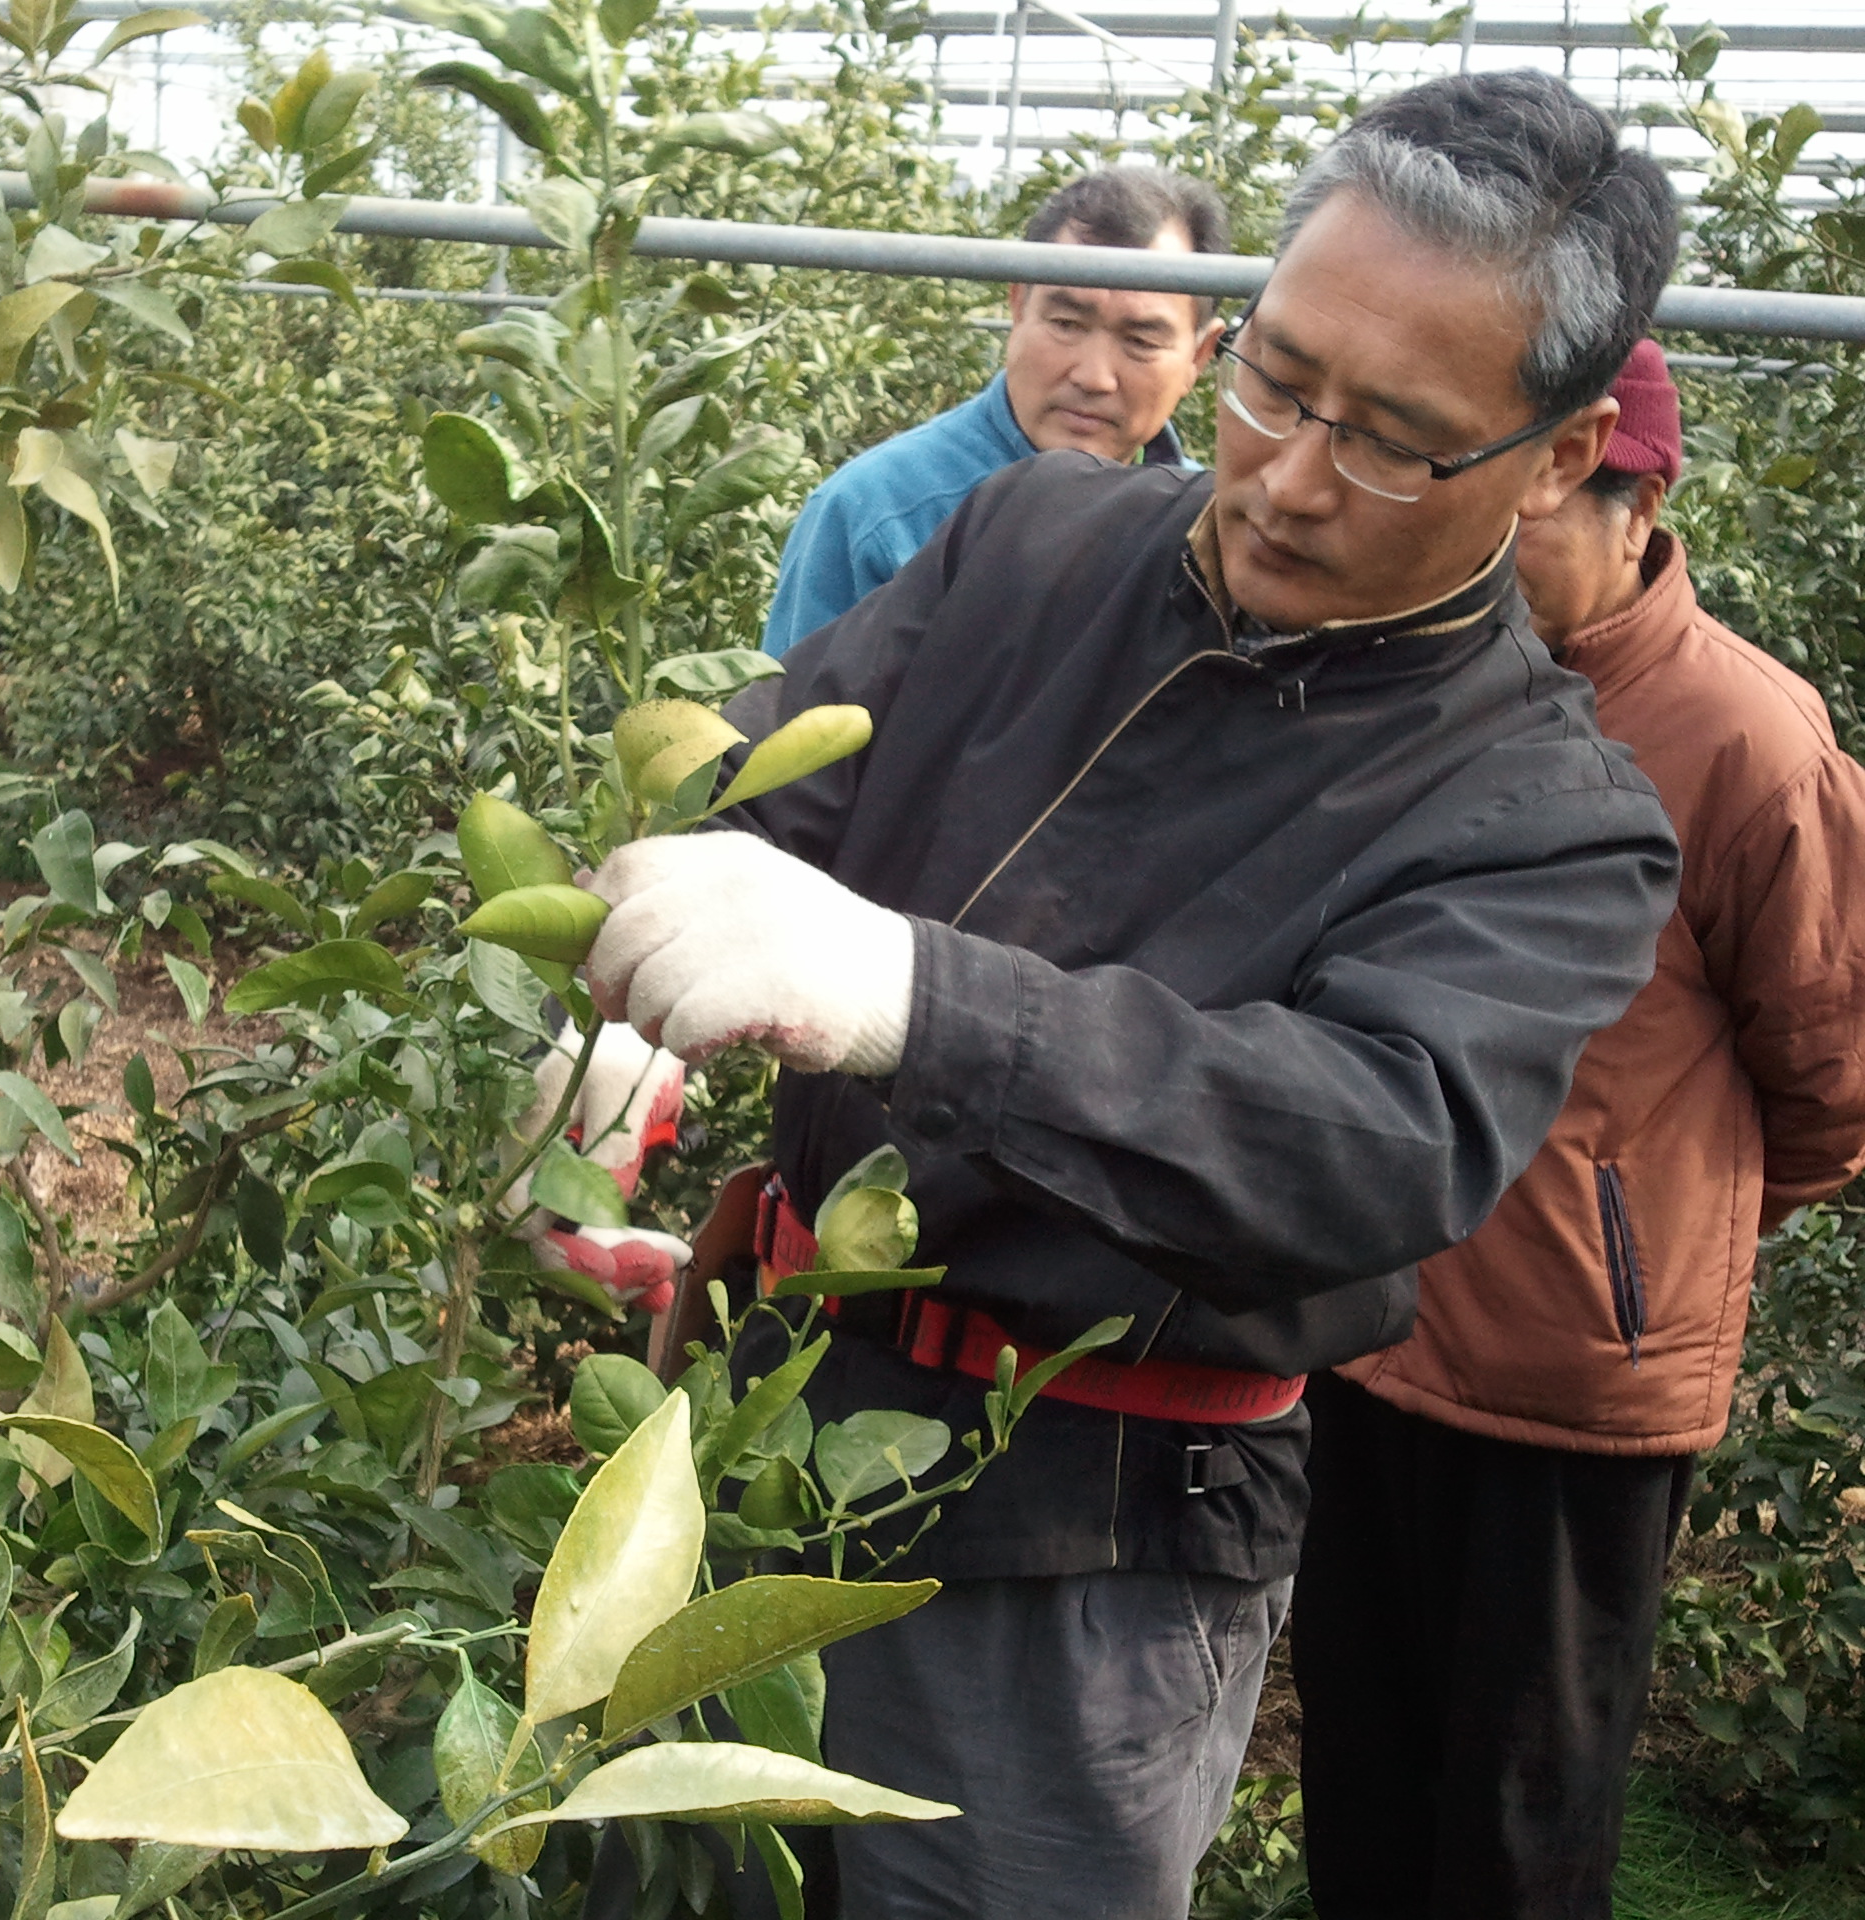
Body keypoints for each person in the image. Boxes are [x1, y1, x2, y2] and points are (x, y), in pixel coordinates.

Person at [572, 72, 1685, 1920]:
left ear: (1560, 456)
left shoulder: (1547, 820)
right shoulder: (1031, 546)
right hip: (764, 1434)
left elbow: (1369, 1140)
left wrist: (909, 996)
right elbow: (774, 785)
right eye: (1276, 382)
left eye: (1395, 443)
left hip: (1084, 1552)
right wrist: (621, 993)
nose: (1293, 473)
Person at [1293, 342, 1865, 1920]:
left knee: (1520, 1815)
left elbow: (1828, 1074)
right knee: (1364, 1764)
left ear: (1632, 498)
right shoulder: (1421, 687)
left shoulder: (1746, 740)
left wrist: (1639, 1238)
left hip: (1567, 1380)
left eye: (1525, 518)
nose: (1483, 555)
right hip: (1377, 1323)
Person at [760, 166, 1233, 658]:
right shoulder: (878, 514)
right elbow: (791, 726)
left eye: (1139, 341)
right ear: (1017, 306)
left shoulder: (1212, 537)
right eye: (1067, 323)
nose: (1094, 377)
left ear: (1199, 357)